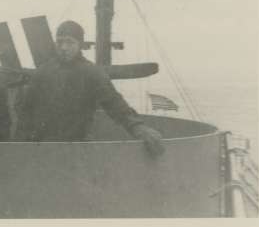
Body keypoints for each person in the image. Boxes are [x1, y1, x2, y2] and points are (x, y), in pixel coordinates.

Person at [16, 20, 164, 156]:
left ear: (80, 44)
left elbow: (115, 104)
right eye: (60, 42)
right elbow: (26, 112)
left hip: (76, 149)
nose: (63, 48)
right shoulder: (43, 72)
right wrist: (19, 145)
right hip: (42, 149)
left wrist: (139, 128)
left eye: (70, 42)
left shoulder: (92, 73)